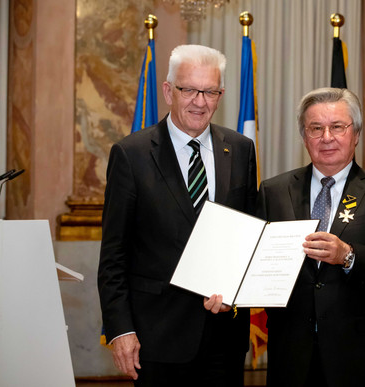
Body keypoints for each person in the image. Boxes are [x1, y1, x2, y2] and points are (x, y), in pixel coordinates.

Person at [98, 44, 257, 386]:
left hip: (224, 338)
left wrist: (236, 292)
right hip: (157, 339)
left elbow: (248, 236)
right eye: (189, 89)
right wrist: (120, 330)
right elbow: (113, 255)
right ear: (169, 91)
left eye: (210, 91)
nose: (200, 101)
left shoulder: (241, 150)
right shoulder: (131, 155)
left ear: (221, 95)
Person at [256, 87, 365, 386]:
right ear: (304, 137)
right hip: (290, 356)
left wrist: (349, 256)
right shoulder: (273, 191)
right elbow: (253, 261)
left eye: (337, 127)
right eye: (316, 128)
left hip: (356, 358)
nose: (326, 137)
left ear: (355, 133)